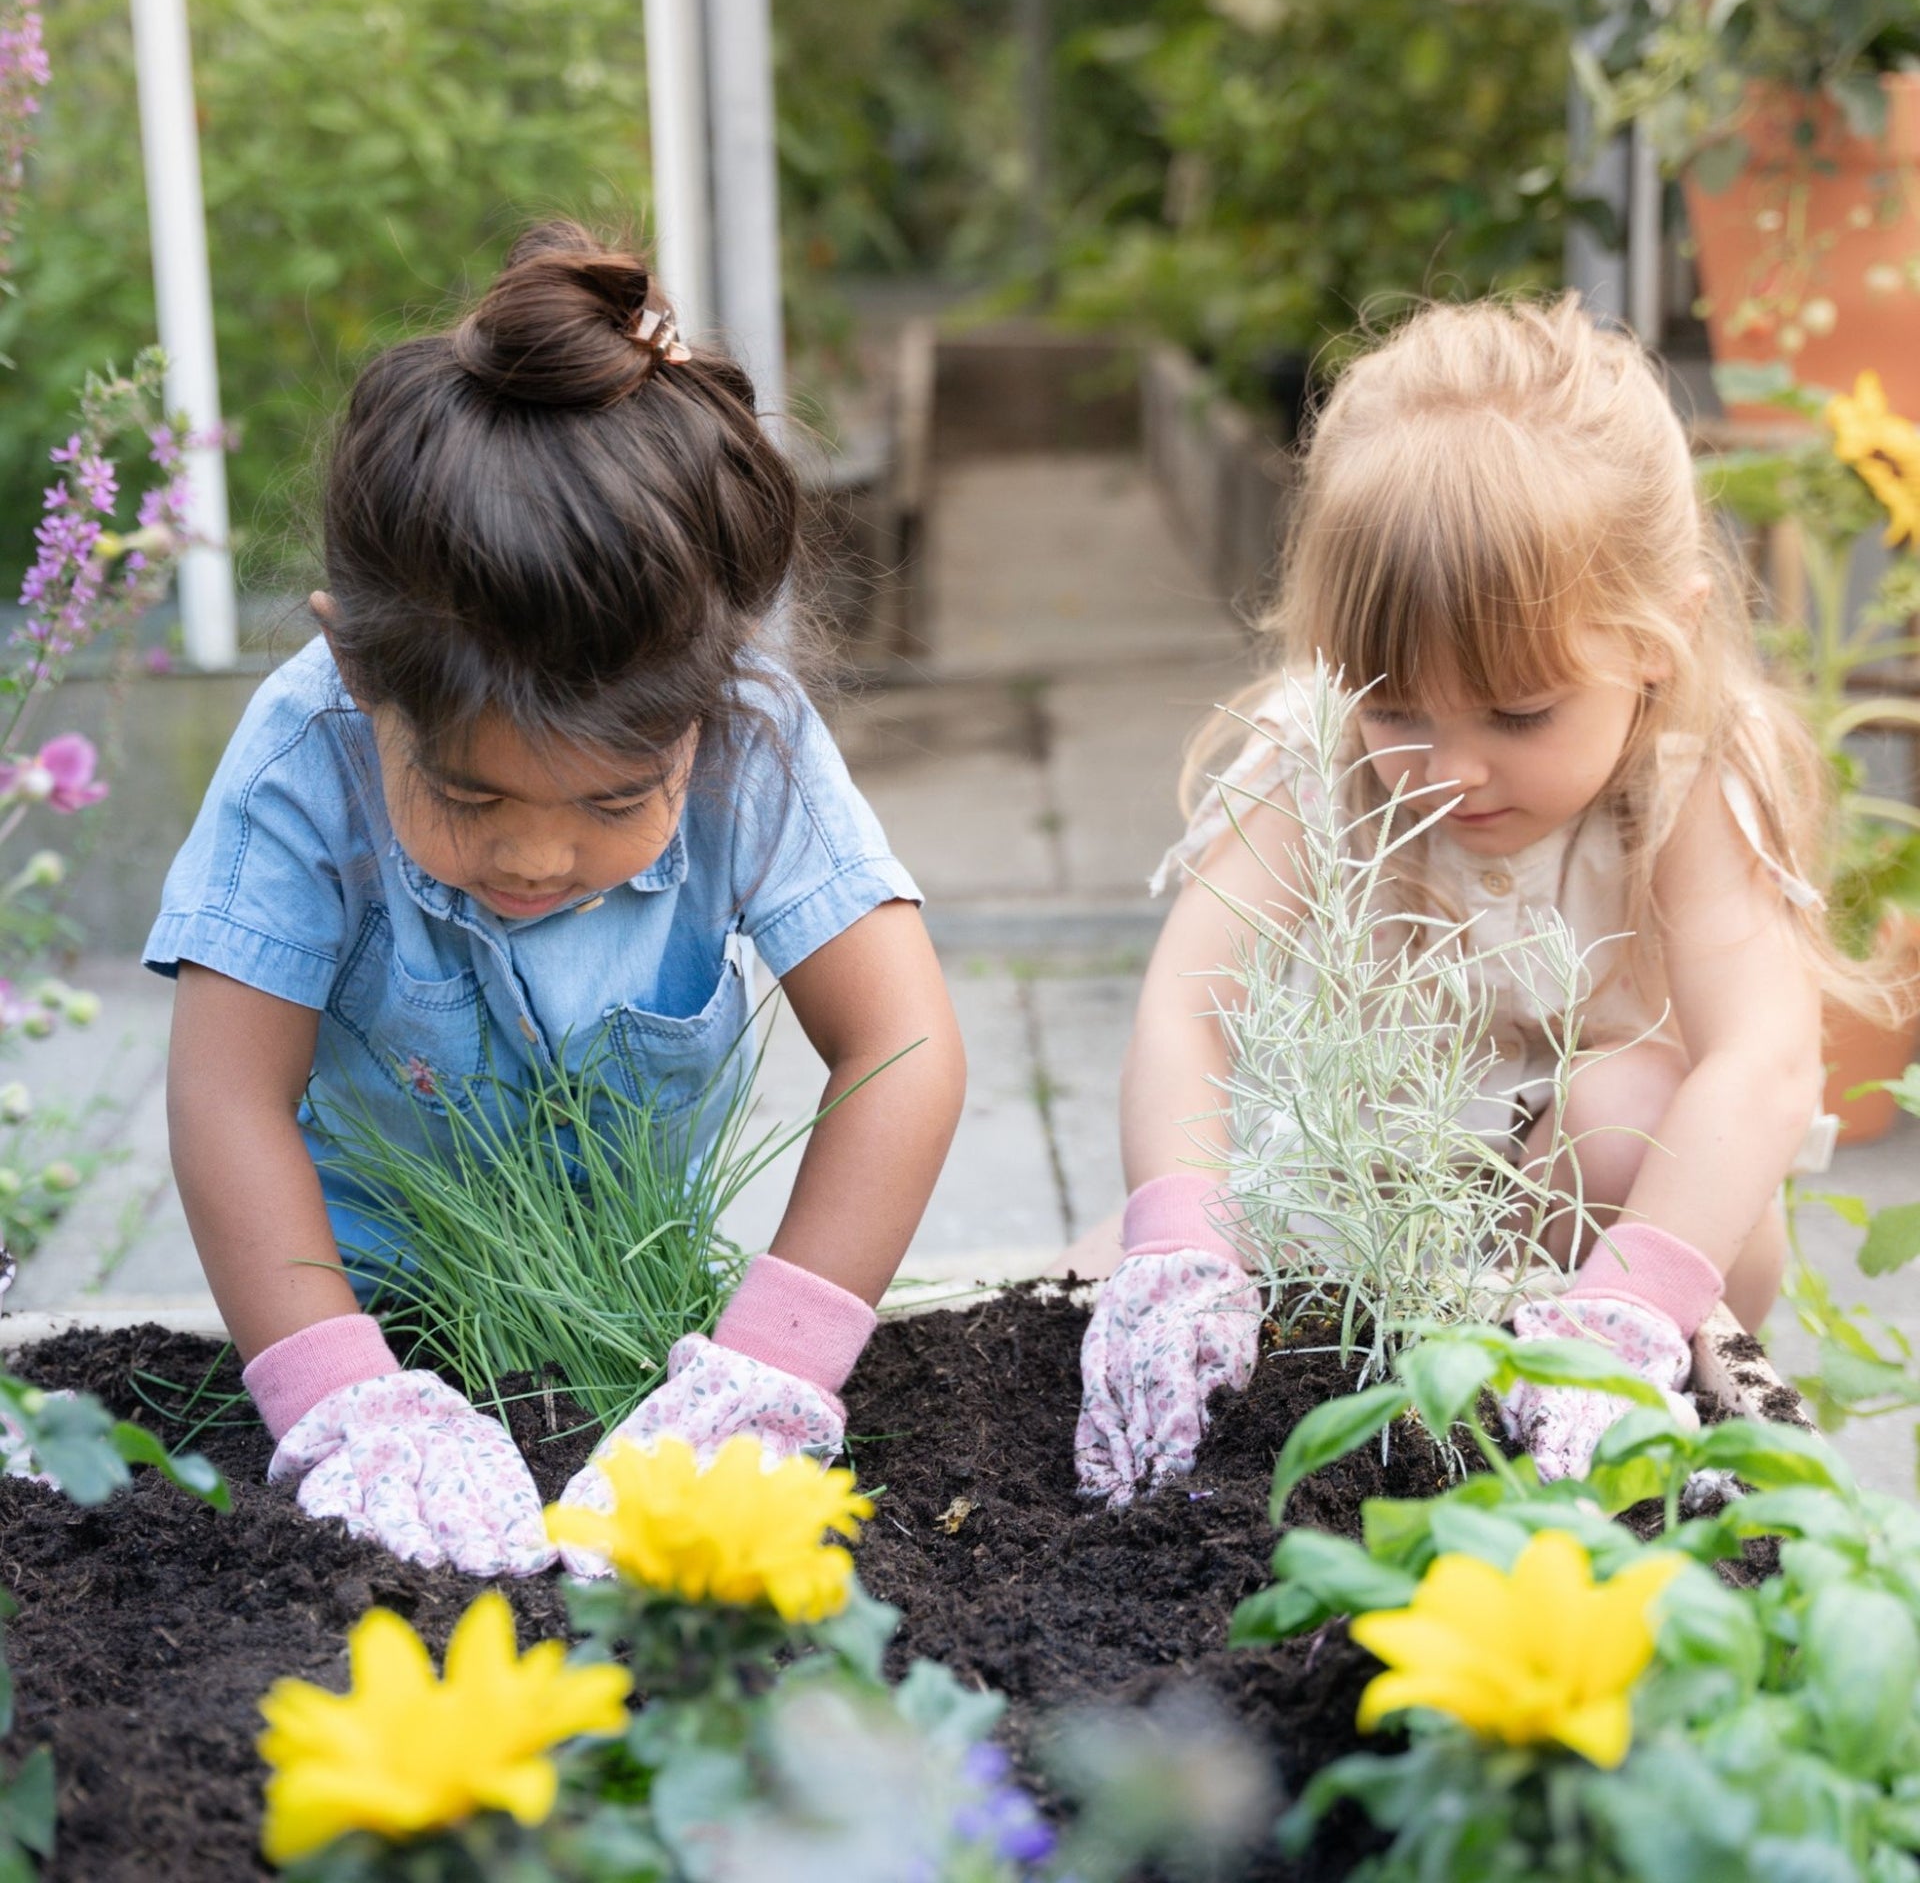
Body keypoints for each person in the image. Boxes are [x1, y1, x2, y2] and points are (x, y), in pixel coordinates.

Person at [147, 223, 965, 1575]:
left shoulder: (753, 741)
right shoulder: (304, 760)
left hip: (636, 1316)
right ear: (359, 673)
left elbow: (905, 1044)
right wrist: (344, 1397)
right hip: (367, 1309)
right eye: (469, 799)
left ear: (706, 704)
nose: (535, 857)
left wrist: (768, 1372)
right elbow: (226, 1096)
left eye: (612, 802)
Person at [1069, 295, 1900, 1504]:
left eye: (1518, 715)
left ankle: (1604, 1393)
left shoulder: (1691, 770)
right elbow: (1188, 1010)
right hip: (1362, 1205)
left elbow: (1764, 1062)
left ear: (1660, 638)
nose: (1448, 770)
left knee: (1630, 1106)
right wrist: (1183, 1248)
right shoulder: (1315, 748)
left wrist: (1627, 1312)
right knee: (1085, 1295)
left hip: (1599, 1219)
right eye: (1395, 708)